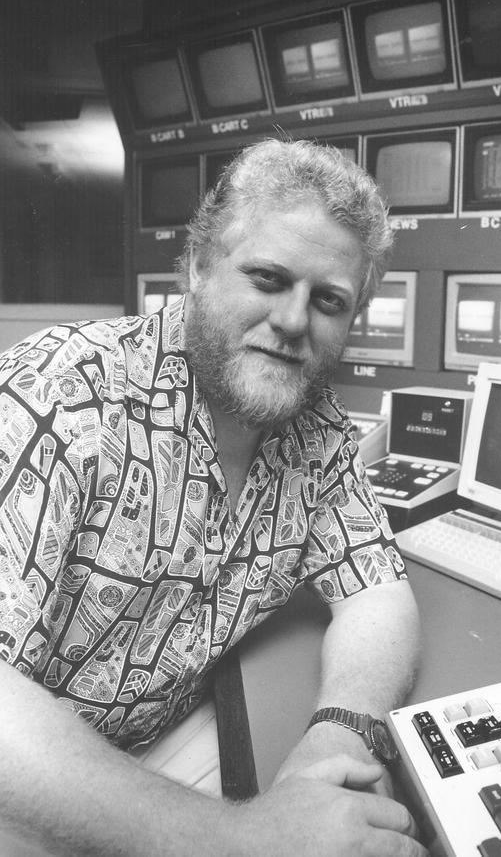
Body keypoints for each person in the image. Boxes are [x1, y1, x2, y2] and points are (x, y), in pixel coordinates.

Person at [0, 139, 426, 857]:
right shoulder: (60, 393)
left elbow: (377, 592)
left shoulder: (316, 429)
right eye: (267, 278)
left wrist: (330, 745)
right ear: (196, 268)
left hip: (150, 746)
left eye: (328, 300)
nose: (294, 321)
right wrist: (241, 837)